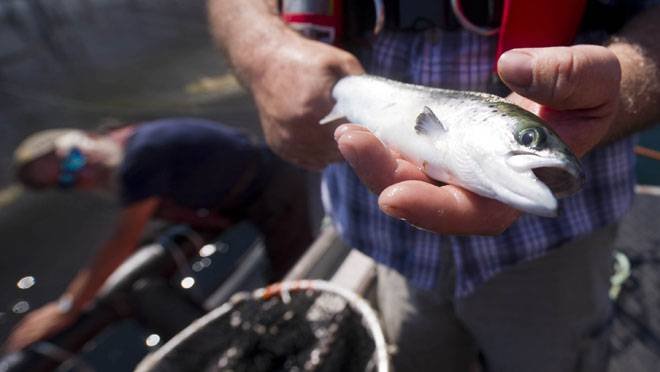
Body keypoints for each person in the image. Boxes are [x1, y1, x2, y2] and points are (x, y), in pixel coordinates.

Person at [207, 0, 660, 371]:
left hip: (558, 247)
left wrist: (620, 88)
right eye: (528, 139)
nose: (533, 146)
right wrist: (261, 50)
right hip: (383, 234)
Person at [3, 117, 312, 353]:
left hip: (274, 190)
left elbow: (123, 238)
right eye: (67, 181)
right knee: (141, 287)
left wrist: (66, 308)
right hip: (241, 201)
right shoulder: (129, 151)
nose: (81, 175)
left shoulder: (139, 157)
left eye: (73, 161)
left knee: (293, 291)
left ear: (87, 139)